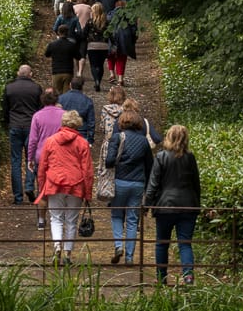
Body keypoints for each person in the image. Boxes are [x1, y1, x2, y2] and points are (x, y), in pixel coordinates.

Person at [35, 110, 94, 267]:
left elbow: (42, 167)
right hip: (76, 184)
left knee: (56, 218)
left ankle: (56, 247)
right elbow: (87, 170)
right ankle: (68, 253)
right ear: (78, 125)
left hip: (55, 183)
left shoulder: (50, 141)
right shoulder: (82, 143)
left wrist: (42, 187)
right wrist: (88, 193)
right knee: (71, 220)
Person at [144, 125, 201, 286]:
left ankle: (161, 278)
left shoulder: (161, 157)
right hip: (188, 206)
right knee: (185, 243)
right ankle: (188, 276)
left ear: (168, 137)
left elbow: (153, 184)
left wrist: (147, 205)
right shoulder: (190, 158)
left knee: (162, 243)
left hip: (165, 206)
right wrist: (198, 205)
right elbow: (196, 184)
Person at [105, 109, 154, 264]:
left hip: (120, 181)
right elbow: (149, 165)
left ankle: (118, 245)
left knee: (117, 216)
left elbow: (109, 161)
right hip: (138, 183)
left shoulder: (117, 137)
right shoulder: (144, 141)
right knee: (133, 219)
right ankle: (130, 256)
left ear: (122, 123)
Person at [1, 64, 42, 205]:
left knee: (15, 161)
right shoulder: (36, 88)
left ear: (18, 73)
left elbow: (5, 110)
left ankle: (17, 196)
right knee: (30, 158)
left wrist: (9, 122)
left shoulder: (9, 88)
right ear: (30, 74)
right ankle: (29, 186)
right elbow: (39, 108)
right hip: (31, 126)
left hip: (15, 126)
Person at [28, 89, 64, 230]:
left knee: (42, 189)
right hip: (60, 156)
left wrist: (30, 158)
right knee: (60, 188)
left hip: (42, 156)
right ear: (56, 100)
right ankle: (58, 218)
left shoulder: (37, 116)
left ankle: (41, 220)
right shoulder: (64, 115)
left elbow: (32, 140)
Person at [106, 0, 137, 86]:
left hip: (112, 37)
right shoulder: (129, 15)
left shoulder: (110, 14)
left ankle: (112, 74)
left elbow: (106, 25)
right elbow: (134, 29)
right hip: (125, 38)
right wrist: (133, 40)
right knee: (122, 58)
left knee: (110, 56)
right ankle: (120, 79)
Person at [44, 24, 81, 95]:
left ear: (58, 32)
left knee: (57, 94)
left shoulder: (52, 44)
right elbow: (78, 57)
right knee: (66, 94)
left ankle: (57, 106)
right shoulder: (71, 45)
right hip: (68, 72)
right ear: (67, 33)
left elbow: (47, 54)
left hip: (56, 71)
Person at [58, 76, 95, 144]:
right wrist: (90, 139)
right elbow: (91, 122)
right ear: (82, 87)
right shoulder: (87, 101)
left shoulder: (61, 98)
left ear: (70, 85)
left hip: (64, 132)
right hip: (81, 133)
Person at [83, 2, 111, 91]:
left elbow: (84, 33)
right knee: (101, 65)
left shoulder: (90, 22)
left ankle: (96, 81)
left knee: (93, 65)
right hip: (104, 46)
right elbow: (111, 34)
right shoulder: (107, 22)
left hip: (92, 46)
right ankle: (99, 79)